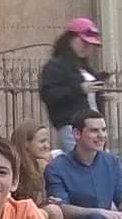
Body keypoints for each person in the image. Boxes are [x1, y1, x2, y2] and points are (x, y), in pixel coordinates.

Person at [40, 18, 106, 154]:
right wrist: (80, 89)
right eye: (84, 42)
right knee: (79, 162)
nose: (87, 47)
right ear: (71, 39)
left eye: (90, 44)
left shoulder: (85, 67)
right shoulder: (56, 66)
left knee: (98, 161)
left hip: (94, 125)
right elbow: (49, 95)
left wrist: (103, 96)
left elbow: (90, 97)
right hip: (71, 126)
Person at [9, 120, 65, 219]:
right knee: (46, 213)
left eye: (47, 141)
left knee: (54, 210)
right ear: (26, 143)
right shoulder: (11, 166)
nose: (47, 146)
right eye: (42, 141)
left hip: (30, 214)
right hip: (11, 217)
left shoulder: (41, 166)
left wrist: (46, 202)